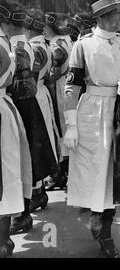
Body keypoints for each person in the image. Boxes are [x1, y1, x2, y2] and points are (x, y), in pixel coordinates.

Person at [64, 0, 120, 258]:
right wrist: (71, 125)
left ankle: (105, 229)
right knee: (94, 169)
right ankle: (98, 219)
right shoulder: (83, 45)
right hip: (92, 110)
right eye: (119, 13)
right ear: (104, 17)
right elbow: (72, 87)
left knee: (116, 171)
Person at [2, 0, 59, 235]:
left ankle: (23, 213)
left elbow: (25, 86)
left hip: (21, 105)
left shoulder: (16, 47)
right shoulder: (22, 44)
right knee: (28, 161)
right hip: (27, 105)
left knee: (23, 162)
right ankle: (32, 201)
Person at [0, 0, 32, 258]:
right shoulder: (9, 45)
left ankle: (2, 242)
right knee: (6, 172)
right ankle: (4, 240)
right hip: (5, 108)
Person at [23, 8, 61, 212]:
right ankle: (39, 192)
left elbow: (31, 78)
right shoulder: (43, 46)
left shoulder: (35, 48)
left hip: (35, 97)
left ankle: (37, 193)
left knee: (36, 145)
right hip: (41, 93)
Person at [43, 12, 73, 191]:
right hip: (69, 87)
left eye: (46, 27)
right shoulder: (67, 39)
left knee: (61, 130)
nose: (44, 30)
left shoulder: (56, 45)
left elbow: (53, 73)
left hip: (59, 89)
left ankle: (61, 174)